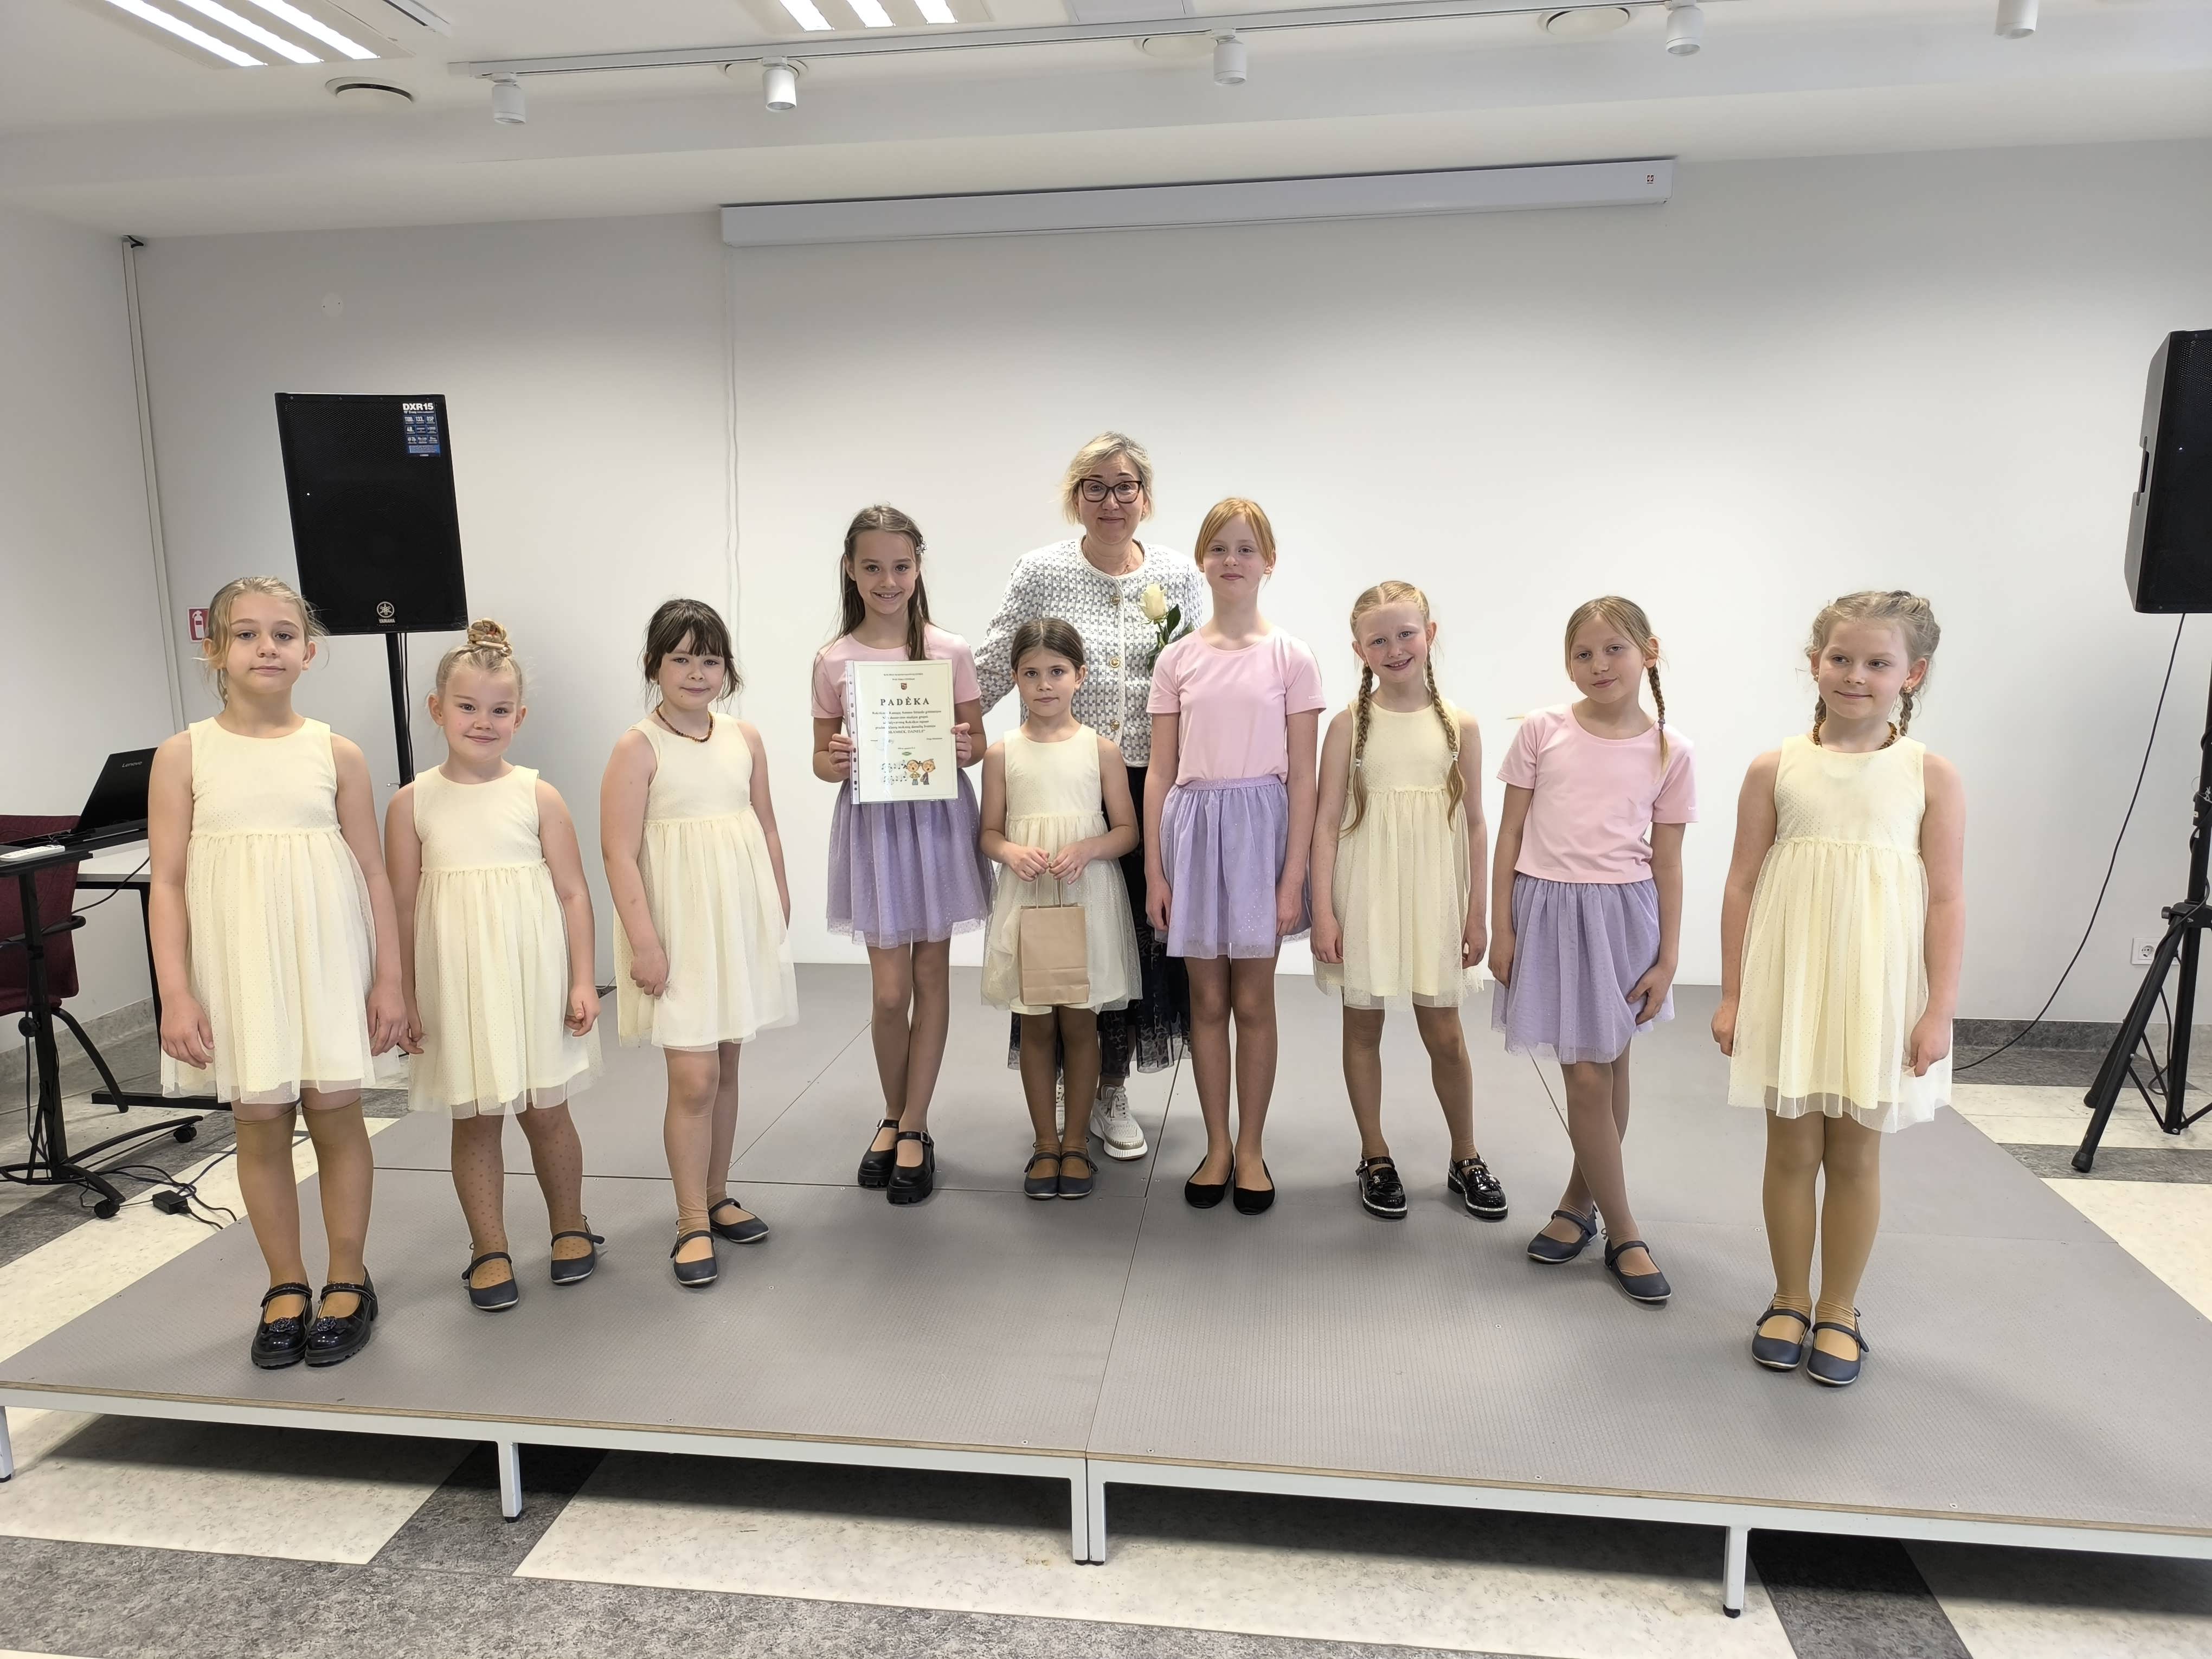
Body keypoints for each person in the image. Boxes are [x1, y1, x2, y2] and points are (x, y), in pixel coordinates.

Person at [150, 575, 406, 1369]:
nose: (268, 648)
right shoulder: (184, 755)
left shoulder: (336, 753)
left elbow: (373, 872)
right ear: (214, 651)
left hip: (325, 958)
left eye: (284, 634)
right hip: (240, 967)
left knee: (335, 1114)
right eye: (247, 634)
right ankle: (285, 1284)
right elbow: (169, 882)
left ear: (309, 652)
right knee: (259, 1121)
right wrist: (176, 992)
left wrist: (389, 979)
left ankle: (347, 1278)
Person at [1716, 590, 1962, 1388]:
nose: (1856, 675)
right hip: (1792, 981)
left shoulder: (1929, 775)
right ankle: (1789, 1297)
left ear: (1911, 675)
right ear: (1815, 664)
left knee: (1855, 1154)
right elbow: (1742, 884)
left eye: (1877, 663)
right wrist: (1733, 994)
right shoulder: (1775, 767)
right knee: (1790, 1149)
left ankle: (1840, 1308)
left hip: (1876, 989)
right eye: (1841, 659)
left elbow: (1948, 898)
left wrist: (1939, 1009)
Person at [975, 432, 1205, 1160]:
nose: (1112, 501)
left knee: (1131, 943)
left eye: (1125, 486)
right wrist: (922, 726)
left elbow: (1201, 671)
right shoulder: (1041, 570)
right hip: (1059, 777)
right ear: (1075, 497)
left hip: (1149, 780)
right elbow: (994, 662)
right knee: (1058, 934)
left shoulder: (1178, 573)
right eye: (1096, 487)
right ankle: (1062, 1090)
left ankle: (1111, 1087)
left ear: (1145, 497)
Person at [384, 620, 603, 1312]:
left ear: (520, 717)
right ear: (437, 708)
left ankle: (570, 1225)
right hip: (457, 984)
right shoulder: (411, 803)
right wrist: (405, 993)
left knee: (546, 1110)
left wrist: (581, 978)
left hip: (531, 977)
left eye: (500, 709)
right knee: (475, 1118)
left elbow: (574, 893)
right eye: (468, 707)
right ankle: (489, 1246)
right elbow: (402, 905)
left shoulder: (538, 795)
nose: (484, 722)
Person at [1490, 597, 1693, 1306]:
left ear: (1649, 652)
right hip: (1549, 911)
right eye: (1584, 654)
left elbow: (1668, 862)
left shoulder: (1671, 750)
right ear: (1568, 664)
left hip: (1624, 918)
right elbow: (1509, 835)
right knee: (1586, 1077)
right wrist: (1501, 926)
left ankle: (1582, 1203)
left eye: (1614, 650)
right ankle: (1625, 1231)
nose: (1599, 665)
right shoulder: (1543, 731)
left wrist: (1669, 958)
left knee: (1609, 1066)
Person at [602, 599, 796, 1287]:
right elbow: (619, 852)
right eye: (680, 658)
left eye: (709, 660)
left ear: (727, 669)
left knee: (727, 1065)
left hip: (734, 919)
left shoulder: (745, 738)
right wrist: (644, 943)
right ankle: (690, 1221)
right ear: (653, 665)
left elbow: (765, 824)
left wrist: (778, 896)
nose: (695, 672)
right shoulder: (637, 747)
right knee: (694, 1078)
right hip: (676, 928)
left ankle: (716, 1194)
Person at [1146, 498, 1323, 1216]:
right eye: (1219, 548)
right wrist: (1157, 870)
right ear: (1201, 560)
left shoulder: (1292, 657)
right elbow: (1161, 771)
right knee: (1206, 1001)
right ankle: (1216, 1145)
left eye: (1247, 548)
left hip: (1260, 834)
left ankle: (1251, 1148)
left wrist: (1293, 876)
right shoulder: (1178, 658)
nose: (1232, 560)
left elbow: (1305, 777)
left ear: (1269, 562)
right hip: (1194, 833)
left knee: (1253, 1000)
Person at [813, 505, 994, 1206]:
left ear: (918, 568)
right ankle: (892, 1113)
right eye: (872, 567)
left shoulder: (949, 651)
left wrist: (963, 746)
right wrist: (834, 759)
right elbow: (821, 759)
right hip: (875, 827)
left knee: (930, 975)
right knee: (889, 993)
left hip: (936, 819)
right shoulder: (834, 660)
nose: (887, 581)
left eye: (900, 566)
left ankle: (914, 1124)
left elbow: (975, 744)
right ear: (850, 571)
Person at [1310, 581, 1504, 1223]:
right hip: (1365, 893)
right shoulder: (1347, 726)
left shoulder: (1459, 725)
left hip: (1433, 897)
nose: (1395, 649)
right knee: (1363, 1026)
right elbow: (1325, 822)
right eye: (1379, 640)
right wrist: (1324, 911)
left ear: (1430, 635)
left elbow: (1475, 823)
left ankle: (1466, 1155)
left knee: (1445, 1032)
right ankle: (1374, 1154)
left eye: (1406, 634)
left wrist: (1476, 912)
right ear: (1359, 650)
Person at [979, 620, 1143, 1201]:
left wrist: (1089, 848)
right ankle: (1045, 1144)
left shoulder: (1101, 749)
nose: (1044, 684)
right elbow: (989, 833)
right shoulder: (1002, 753)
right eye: (1031, 673)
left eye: (1056, 672)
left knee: (1081, 1022)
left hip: (1085, 897)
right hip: (1030, 900)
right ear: (1015, 678)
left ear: (1080, 676)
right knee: (1036, 1023)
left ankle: (1076, 1144)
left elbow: (1126, 831)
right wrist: (1010, 851)